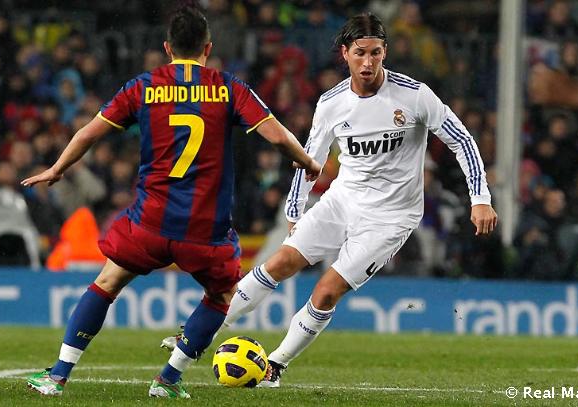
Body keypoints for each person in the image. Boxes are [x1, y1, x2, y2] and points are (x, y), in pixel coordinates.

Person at [163, 12, 498, 387]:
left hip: (391, 217)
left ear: (385, 52)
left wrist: (480, 197)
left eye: (375, 53)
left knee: (326, 291)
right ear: (345, 53)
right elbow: (310, 159)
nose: (368, 62)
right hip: (342, 200)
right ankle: (197, 333)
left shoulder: (415, 95)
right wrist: (294, 210)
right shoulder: (332, 103)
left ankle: (275, 365)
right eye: (360, 53)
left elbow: (462, 140)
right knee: (280, 262)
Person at [22, 7, 320, 398]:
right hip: (205, 229)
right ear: (208, 48)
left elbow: (88, 133)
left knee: (107, 282)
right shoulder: (228, 87)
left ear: (167, 48)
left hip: (151, 221)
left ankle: (58, 376)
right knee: (221, 297)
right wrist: (308, 162)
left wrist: (57, 168)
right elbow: (279, 137)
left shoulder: (143, 86)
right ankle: (168, 380)